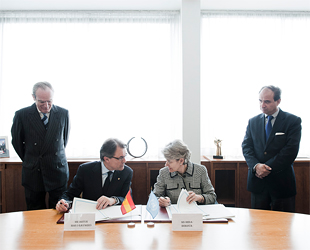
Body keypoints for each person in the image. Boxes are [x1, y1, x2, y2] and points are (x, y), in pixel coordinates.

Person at [11, 81, 70, 210]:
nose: (46, 105)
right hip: (33, 172)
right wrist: (32, 159)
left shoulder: (63, 113)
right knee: (35, 212)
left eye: (49, 101)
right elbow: (17, 142)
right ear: (33, 97)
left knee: (59, 211)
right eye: (42, 102)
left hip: (57, 170)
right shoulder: (22, 115)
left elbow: (63, 140)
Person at [242, 85, 301, 212]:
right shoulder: (253, 122)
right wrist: (256, 166)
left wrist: (267, 168)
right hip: (258, 183)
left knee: (283, 228)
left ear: (278, 101)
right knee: (258, 227)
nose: (262, 105)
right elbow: (247, 147)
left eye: (267, 101)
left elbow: (290, 151)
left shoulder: (293, 121)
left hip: (282, 184)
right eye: (260, 100)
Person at [56, 138, 133, 213]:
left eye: (125, 156)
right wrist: (63, 203)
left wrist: (113, 200)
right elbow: (70, 194)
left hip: (114, 217)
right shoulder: (85, 170)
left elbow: (127, 200)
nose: (125, 161)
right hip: (89, 216)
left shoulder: (126, 172)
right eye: (120, 158)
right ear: (106, 159)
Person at [153, 139, 216, 207]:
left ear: (181, 161)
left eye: (169, 161)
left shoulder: (200, 171)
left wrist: (199, 198)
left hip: (198, 215)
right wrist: (161, 201)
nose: (166, 165)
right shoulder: (163, 173)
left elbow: (212, 197)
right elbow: (154, 198)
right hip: (173, 215)